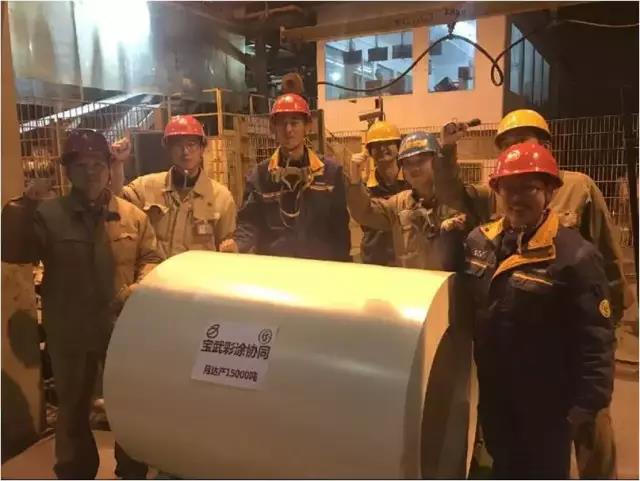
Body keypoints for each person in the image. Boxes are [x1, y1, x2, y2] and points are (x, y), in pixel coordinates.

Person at [1, 129, 162, 479]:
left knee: (128, 405)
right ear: (68, 171)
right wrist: (24, 205)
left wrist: (140, 284)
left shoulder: (132, 216)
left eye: (97, 165)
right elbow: (16, 252)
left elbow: (151, 257)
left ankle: (132, 470)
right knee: (73, 410)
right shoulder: (48, 215)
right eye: (81, 166)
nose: (91, 173)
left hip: (121, 331)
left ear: (108, 167)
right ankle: (74, 471)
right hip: (70, 333)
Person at [464, 142, 615, 479]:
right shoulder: (480, 242)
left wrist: (587, 406)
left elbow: (596, 340)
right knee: (503, 467)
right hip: (495, 396)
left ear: (549, 191)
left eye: (529, 188)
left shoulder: (575, 256)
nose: (517, 198)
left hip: (547, 407)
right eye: (509, 188)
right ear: (498, 191)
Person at [494, 109, 628, 478]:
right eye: (507, 143)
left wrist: (609, 318)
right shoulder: (507, 188)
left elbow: (607, 254)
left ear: (545, 143)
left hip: (583, 317)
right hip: (540, 325)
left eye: (523, 138)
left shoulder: (579, 185)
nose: (515, 147)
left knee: (591, 418)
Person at [219, 93, 351, 261]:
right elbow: (249, 223)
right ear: (273, 128)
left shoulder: (330, 173)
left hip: (319, 268)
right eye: (282, 123)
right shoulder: (260, 176)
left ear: (308, 126)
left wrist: (342, 266)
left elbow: (340, 229)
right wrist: (237, 244)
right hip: (275, 268)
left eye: (295, 123)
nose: (288, 130)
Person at [347, 127, 481, 270]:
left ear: (436, 162)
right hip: (413, 282)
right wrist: (355, 180)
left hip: (448, 282)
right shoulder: (398, 204)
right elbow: (365, 212)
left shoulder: (455, 198)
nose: (414, 168)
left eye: (420, 161)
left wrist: (447, 148)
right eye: (408, 163)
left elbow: (450, 178)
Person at [111, 115, 237, 259]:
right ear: (168, 148)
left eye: (191, 144)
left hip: (198, 273)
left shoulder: (221, 198)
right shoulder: (147, 187)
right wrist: (117, 163)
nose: (185, 151)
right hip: (156, 271)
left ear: (202, 149)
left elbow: (227, 246)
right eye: (178, 145)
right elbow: (116, 199)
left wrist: (231, 249)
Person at [358, 120, 410, 266]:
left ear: (398, 146)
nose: (382, 148)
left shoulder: (412, 182)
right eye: (376, 145)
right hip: (375, 261)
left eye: (388, 143)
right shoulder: (365, 187)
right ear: (369, 151)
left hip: (408, 261)